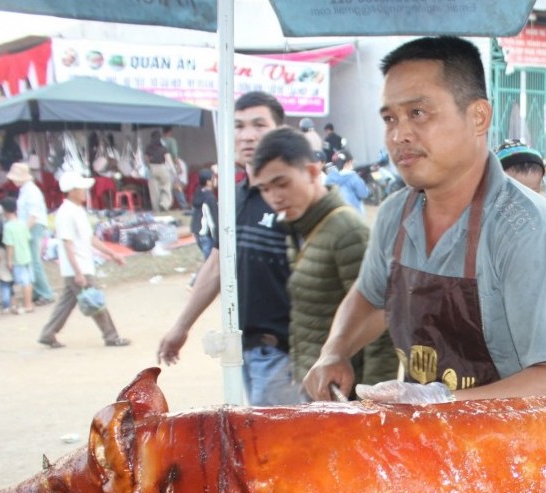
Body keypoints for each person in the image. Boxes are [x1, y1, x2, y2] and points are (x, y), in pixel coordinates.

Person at [303, 36, 546, 403]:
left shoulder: (530, 231)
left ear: (478, 117)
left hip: (505, 437)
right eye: (390, 118)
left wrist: (442, 403)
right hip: (421, 432)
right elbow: (371, 298)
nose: (399, 135)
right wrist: (335, 351)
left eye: (418, 113)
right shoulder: (394, 215)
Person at [157, 91, 298, 407]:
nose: (247, 135)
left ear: (279, 131)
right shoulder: (234, 198)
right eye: (239, 126)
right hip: (246, 350)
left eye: (259, 125)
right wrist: (181, 327)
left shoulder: (299, 196)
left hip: (289, 356)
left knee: (277, 439)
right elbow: (217, 265)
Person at [253, 128, 399, 395]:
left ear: (311, 172)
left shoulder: (347, 231)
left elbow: (381, 322)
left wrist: (372, 406)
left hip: (345, 396)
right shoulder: (297, 227)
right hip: (315, 384)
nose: (274, 197)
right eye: (264, 189)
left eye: (282, 184)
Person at [38, 171, 131, 349]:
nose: (84, 192)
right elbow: (67, 244)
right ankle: (111, 336)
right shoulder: (66, 213)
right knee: (95, 301)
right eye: (81, 188)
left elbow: (90, 238)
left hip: (79, 266)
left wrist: (112, 254)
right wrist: (78, 272)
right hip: (78, 266)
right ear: (72, 190)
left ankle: (48, 333)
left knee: (67, 303)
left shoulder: (76, 211)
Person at [6, 162, 54, 305]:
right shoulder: (25, 190)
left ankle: (46, 293)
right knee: (30, 260)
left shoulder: (31, 191)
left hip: (33, 226)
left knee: (33, 260)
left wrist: (23, 231)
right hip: (29, 226)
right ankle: (37, 292)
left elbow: (33, 215)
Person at [0, 196, 34, 314]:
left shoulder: (8, 226)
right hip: (26, 255)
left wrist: (9, 260)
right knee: (28, 281)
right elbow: (27, 238)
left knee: (22, 282)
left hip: (17, 258)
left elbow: (10, 245)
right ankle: (28, 303)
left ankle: (26, 305)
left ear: (4, 210)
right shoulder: (22, 224)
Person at [323, 150, 370, 215]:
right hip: (351, 214)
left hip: (334, 213)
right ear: (349, 162)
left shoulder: (330, 177)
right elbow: (363, 194)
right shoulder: (354, 177)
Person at [144, 130, 173, 214]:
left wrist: (149, 165)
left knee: (154, 191)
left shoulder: (148, 148)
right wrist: (173, 170)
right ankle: (164, 203)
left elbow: (146, 159)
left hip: (152, 168)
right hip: (162, 168)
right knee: (166, 186)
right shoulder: (163, 148)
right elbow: (168, 160)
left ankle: (156, 210)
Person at [161, 126, 188, 209]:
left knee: (167, 185)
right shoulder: (171, 141)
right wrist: (179, 166)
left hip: (162, 165)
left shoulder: (160, 141)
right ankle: (183, 204)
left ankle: (168, 204)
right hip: (172, 164)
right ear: (170, 132)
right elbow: (174, 155)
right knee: (178, 184)